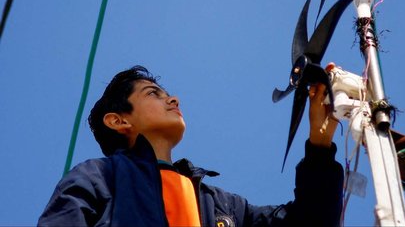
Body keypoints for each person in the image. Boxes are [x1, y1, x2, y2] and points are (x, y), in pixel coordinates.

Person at [38, 65, 344, 226]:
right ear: (118, 121)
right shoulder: (99, 177)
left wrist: (319, 145)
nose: (173, 99)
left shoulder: (222, 205)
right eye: (153, 94)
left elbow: (312, 221)